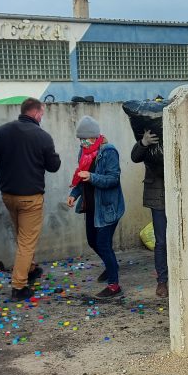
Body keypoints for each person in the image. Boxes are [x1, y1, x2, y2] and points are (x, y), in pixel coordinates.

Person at [0, 97, 62, 300]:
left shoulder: (2, 131)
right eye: (41, 113)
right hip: (30, 198)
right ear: (34, 112)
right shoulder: (42, 136)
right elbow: (54, 166)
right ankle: (19, 286)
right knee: (26, 241)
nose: (42, 117)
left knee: (22, 236)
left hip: (9, 196)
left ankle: (31, 268)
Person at [67, 116, 126, 298]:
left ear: (94, 136)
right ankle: (111, 265)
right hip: (91, 206)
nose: (82, 142)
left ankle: (114, 285)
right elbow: (81, 177)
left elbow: (113, 179)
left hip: (108, 207)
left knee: (103, 244)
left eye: (84, 138)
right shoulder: (84, 152)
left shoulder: (108, 151)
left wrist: (92, 177)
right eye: (80, 139)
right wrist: (74, 194)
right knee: (92, 241)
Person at [131, 128, 168, 298]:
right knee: (161, 242)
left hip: (179, 194)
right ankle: (162, 281)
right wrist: (143, 142)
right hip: (157, 196)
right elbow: (135, 157)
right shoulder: (151, 138)